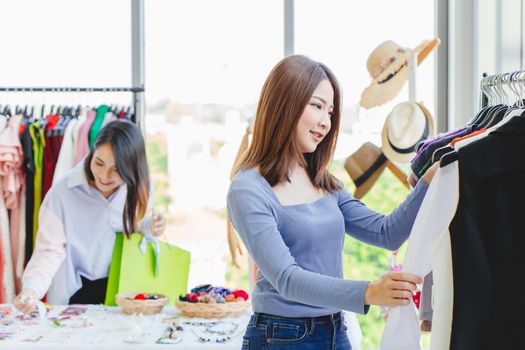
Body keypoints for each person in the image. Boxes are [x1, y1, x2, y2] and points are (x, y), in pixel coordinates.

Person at [227, 55, 438, 349]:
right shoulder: (248, 189)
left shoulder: (322, 181)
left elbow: (386, 232)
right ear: (284, 103)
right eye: (317, 106)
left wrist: (430, 179)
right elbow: (287, 279)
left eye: (330, 111)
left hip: (336, 330)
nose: (326, 122)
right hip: (280, 336)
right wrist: (370, 292)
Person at [14, 120, 167, 312]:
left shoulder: (140, 187)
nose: (104, 176)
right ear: (92, 153)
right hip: (73, 296)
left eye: (116, 170)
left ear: (131, 169)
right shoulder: (62, 193)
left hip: (123, 293)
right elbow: (49, 251)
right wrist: (31, 290)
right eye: (99, 163)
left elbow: (131, 229)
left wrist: (149, 226)